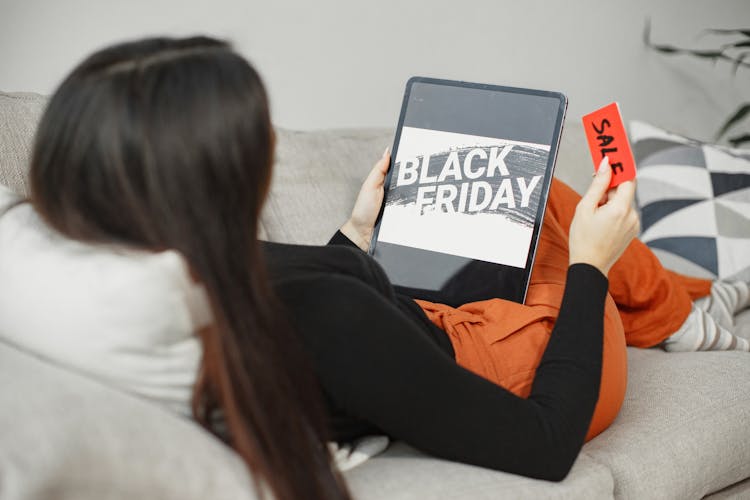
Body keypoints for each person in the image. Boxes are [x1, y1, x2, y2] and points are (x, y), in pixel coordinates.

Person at [0, 36, 747, 500]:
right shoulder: (328, 325)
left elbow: (297, 291)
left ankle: (685, 308)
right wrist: (589, 267)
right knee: (579, 227)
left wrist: (357, 233)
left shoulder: (159, 261)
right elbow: (546, 444)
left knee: (535, 185)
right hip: (509, 363)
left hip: (424, 311)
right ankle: (688, 317)